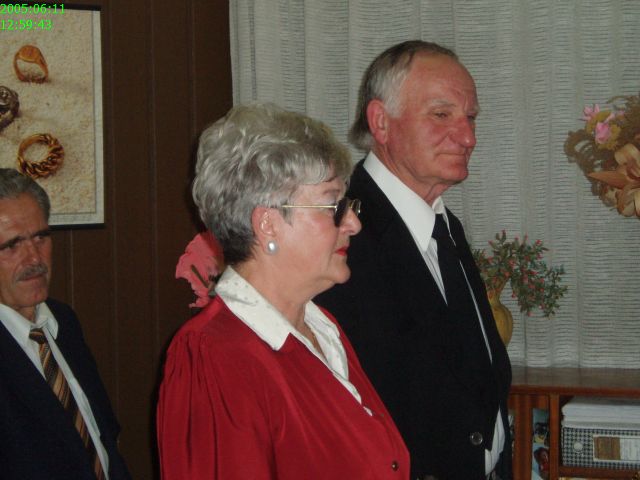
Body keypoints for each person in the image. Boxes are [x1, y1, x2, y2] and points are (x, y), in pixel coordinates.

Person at [156, 103, 409, 479]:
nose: (353, 223)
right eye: (333, 205)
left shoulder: (322, 326)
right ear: (268, 224)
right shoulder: (214, 356)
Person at [315, 41, 512, 480]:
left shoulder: (443, 223)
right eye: (442, 114)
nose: (468, 137)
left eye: (471, 118)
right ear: (381, 122)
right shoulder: (338, 234)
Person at [0, 168, 131, 480]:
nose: (34, 258)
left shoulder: (63, 321)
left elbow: (104, 435)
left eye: (41, 237)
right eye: (12, 245)